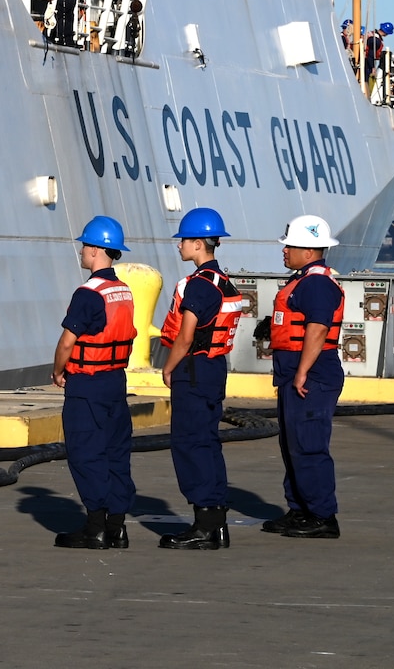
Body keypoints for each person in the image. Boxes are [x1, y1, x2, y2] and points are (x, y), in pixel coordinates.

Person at [158, 207, 243, 550]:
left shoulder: (199, 286)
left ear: (197, 244)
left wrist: (167, 367)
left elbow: (186, 334)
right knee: (208, 443)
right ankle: (216, 523)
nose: (179, 247)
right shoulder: (223, 282)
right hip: (213, 369)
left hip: (192, 371)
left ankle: (204, 526)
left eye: (183, 241)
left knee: (190, 444)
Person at [51, 215, 137, 550]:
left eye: (86, 245)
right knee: (116, 454)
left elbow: (67, 342)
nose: (82, 250)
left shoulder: (88, 293)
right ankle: (117, 527)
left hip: (87, 385)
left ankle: (96, 527)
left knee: (87, 453)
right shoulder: (123, 290)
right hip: (115, 381)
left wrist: (59, 371)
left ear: (98, 250)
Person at [263, 214, 345, 539]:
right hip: (294, 375)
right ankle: (300, 509)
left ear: (308, 251)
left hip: (312, 377)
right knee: (293, 445)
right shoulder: (304, 280)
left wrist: (301, 372)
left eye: (290, 246)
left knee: (309, 446)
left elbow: (318, 328)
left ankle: (323, 516)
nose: (284, 251)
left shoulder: (316, 284)